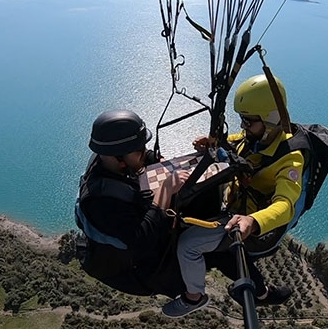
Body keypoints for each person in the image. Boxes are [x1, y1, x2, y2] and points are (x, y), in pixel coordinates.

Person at [162, 74, 304, 318]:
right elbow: (236, 142)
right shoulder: (256, 139)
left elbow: (285, 205)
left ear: (270, 120)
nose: (243, 127)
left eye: (248, 121)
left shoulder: (290, 159)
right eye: (242, 120)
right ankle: (262, 294)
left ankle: (193, 297)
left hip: (245, 222)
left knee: (188, 246)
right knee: (225, 256)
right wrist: (215, 143)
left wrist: (254, 221)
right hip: (233, 207)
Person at [74, 109, 191, 297]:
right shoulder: (101, 201)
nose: (145, 152)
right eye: (139, 150)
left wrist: (161, 163)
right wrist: (165, 191)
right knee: (184, 276)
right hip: (130, 273)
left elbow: (141, 159)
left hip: (128, 236)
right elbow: (142, 241)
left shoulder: (104, 158)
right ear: (117, 157)